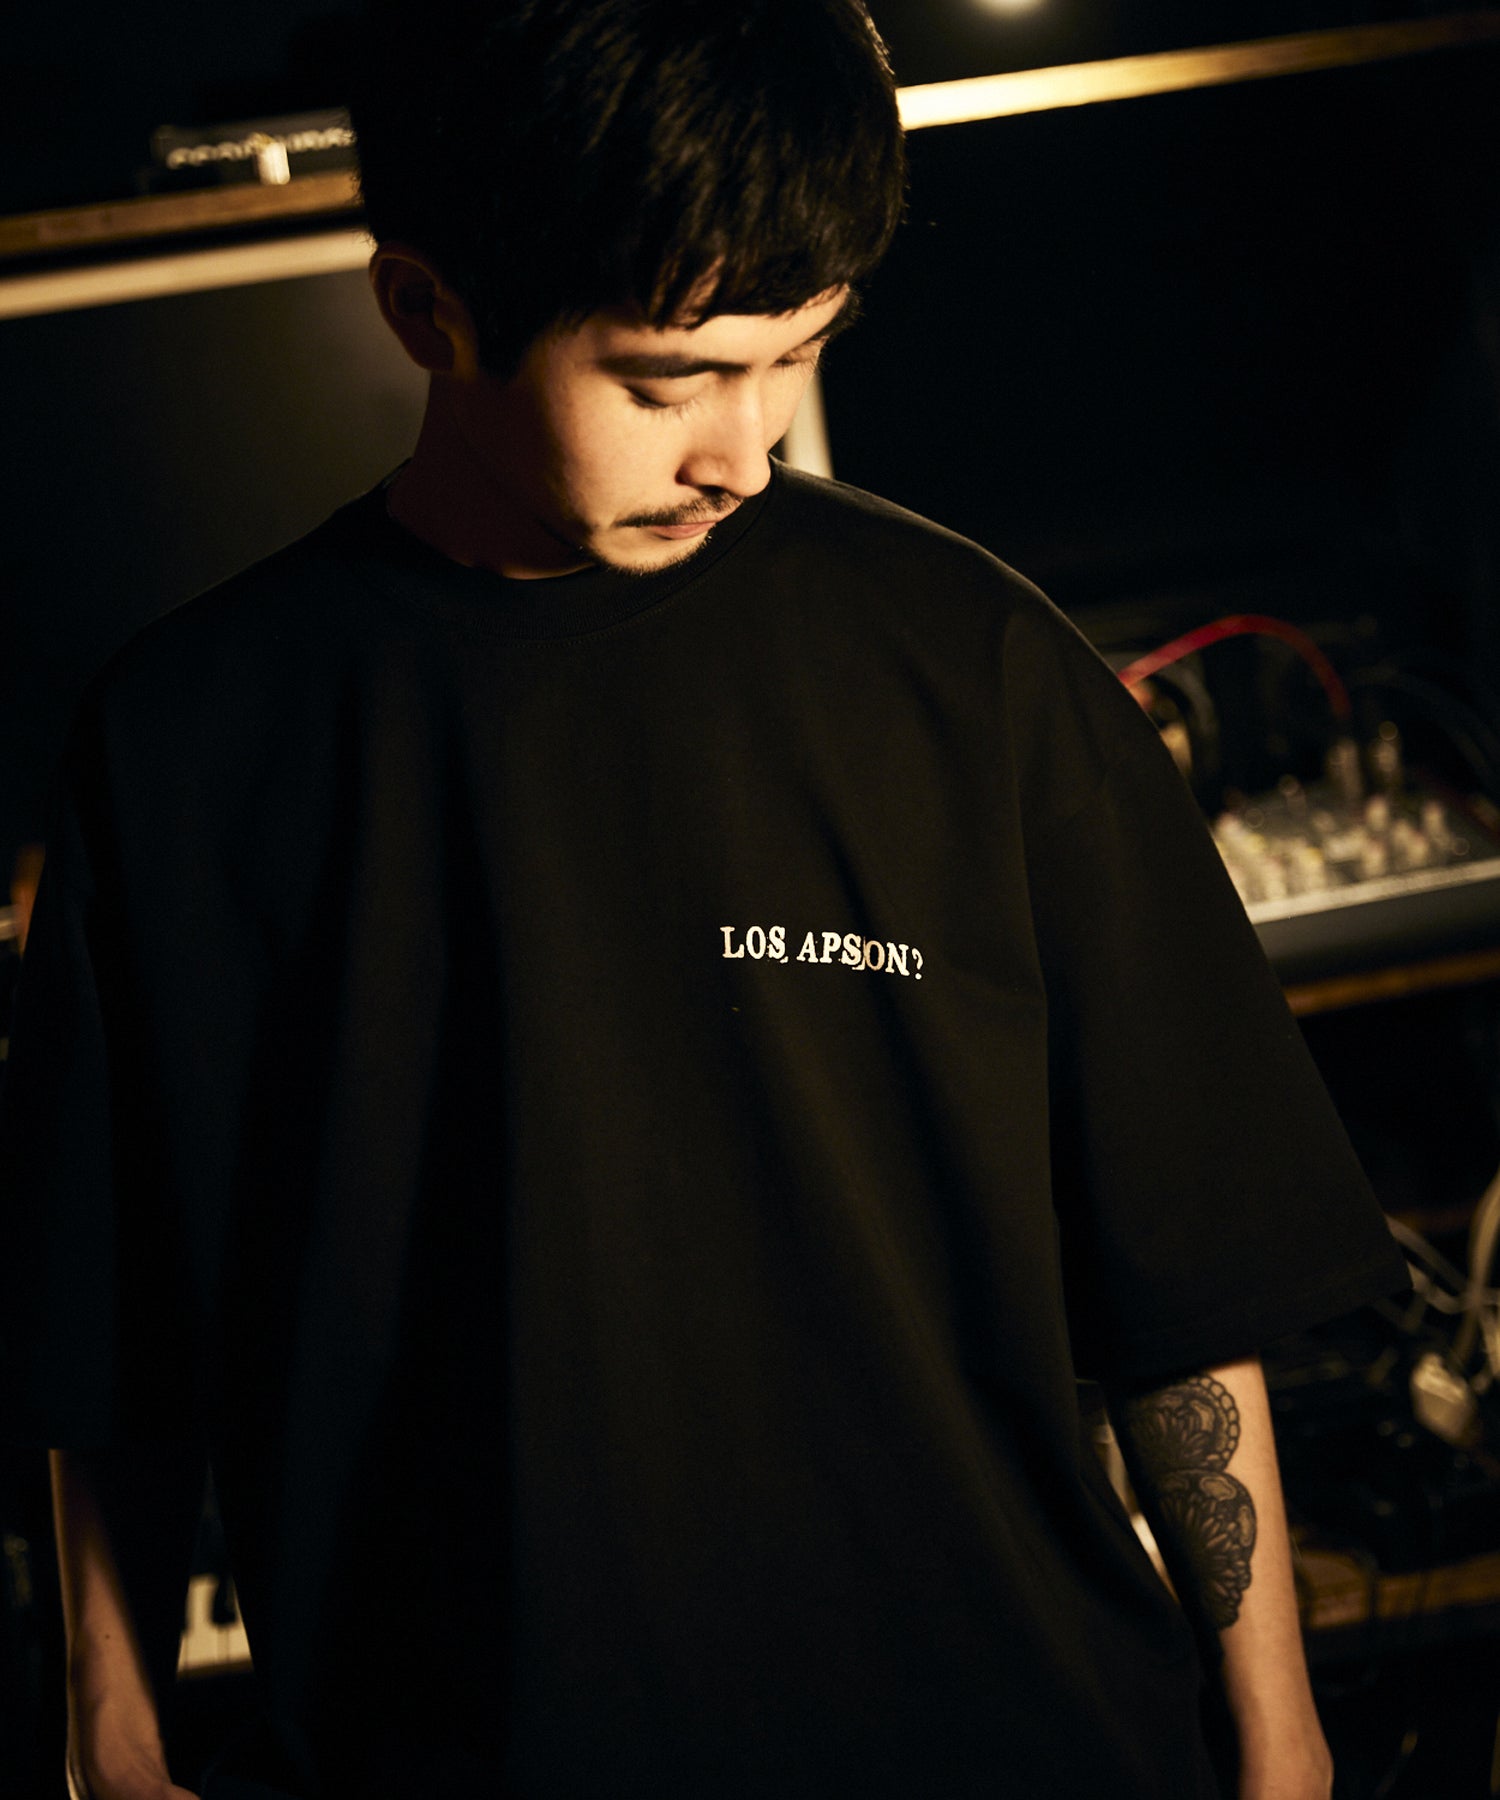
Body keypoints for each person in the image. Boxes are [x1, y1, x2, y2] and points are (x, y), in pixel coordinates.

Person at [0, 3, 1407, 1796]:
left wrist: (1280, 1741)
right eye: (669, 381)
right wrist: (108, 1737)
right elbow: (108, 1326)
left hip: (1017, 1742)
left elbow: (1177, 1278)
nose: (746, 449)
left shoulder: (979, 671)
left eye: (797, 355)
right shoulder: (188, 749)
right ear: (426, 310)